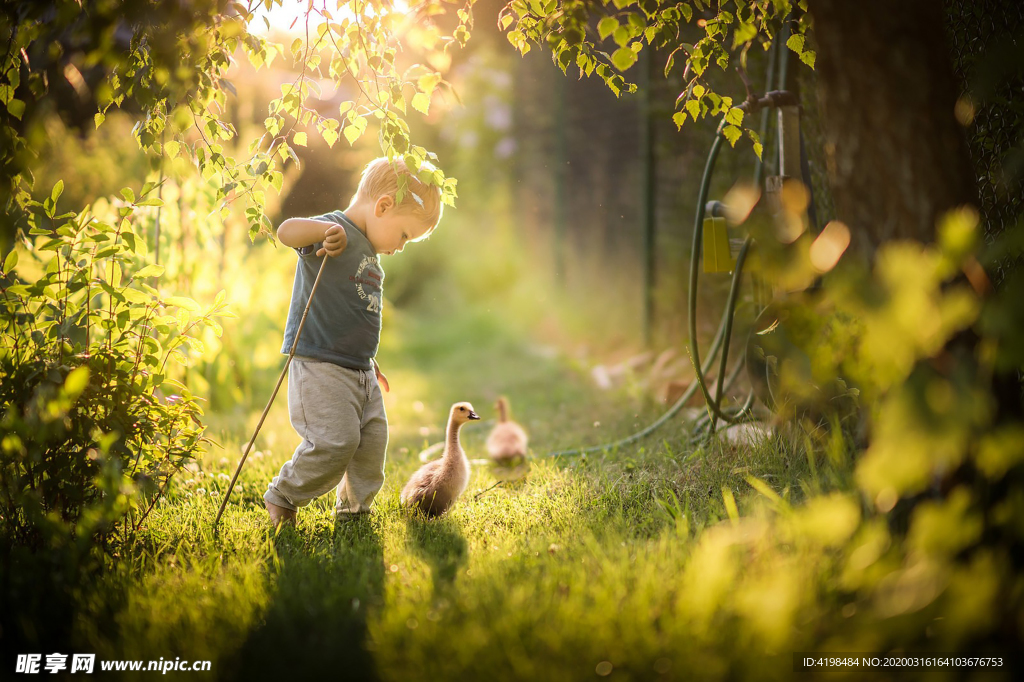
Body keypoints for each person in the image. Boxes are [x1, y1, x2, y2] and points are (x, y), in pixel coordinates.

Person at [263, 157, 442, 526]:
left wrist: (368, 359)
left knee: (372, 444)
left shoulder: (372, 254)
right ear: (383, 206)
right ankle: (284, 495)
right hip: (321, 364)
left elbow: (355, 311)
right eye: (406, 235)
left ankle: (354, 511)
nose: (402, 247)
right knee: (336, 442)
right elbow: (286, 231)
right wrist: (321, 232)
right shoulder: (334, 230)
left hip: (359, 369)